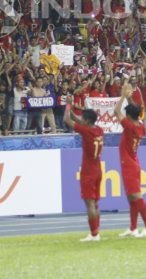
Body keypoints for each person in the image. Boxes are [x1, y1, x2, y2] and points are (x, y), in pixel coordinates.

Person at [115, 83, 146, 238]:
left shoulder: (129, 126)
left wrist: (124, 96)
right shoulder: (140, 126)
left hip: (129, 165)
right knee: (131, 197)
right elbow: (136, 110)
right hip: (134, 162)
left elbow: (116, 111)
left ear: (129, 116)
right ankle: (133, 228)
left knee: (136, 196)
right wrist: (131, 98)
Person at [64, 101, 104, 242]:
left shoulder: (86, 131)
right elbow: (78, 120)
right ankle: (96, 232)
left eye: (83, 118)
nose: (81, 119)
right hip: (99, 169)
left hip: (88, 171)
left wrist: (68, 106)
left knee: (90, 204)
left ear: (87, 121)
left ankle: (93, 234)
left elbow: (67, 120)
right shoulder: (99, 130)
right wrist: (75, 112)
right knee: (95, 203)